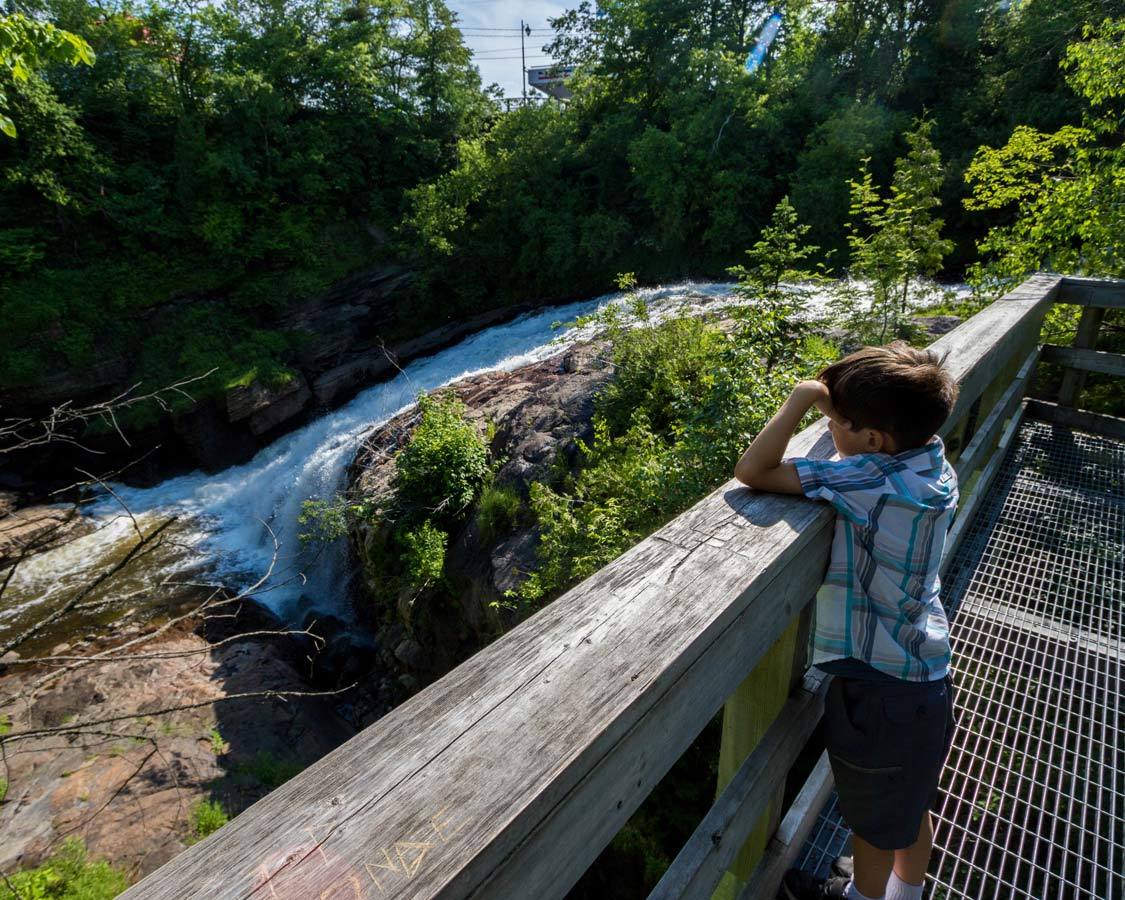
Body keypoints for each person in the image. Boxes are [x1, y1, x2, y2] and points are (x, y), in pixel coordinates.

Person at [732, 342, 960, 900]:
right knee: (909, 805)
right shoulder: (932, 462)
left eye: (837, 424)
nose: (830, 430)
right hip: (926, 671)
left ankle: (861, 895)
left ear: (873, 441)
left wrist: (798, 402)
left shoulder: (864, 479)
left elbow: (751, 471)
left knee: (871, 824)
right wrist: (840, 421)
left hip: (879, 690)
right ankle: (906, 894)